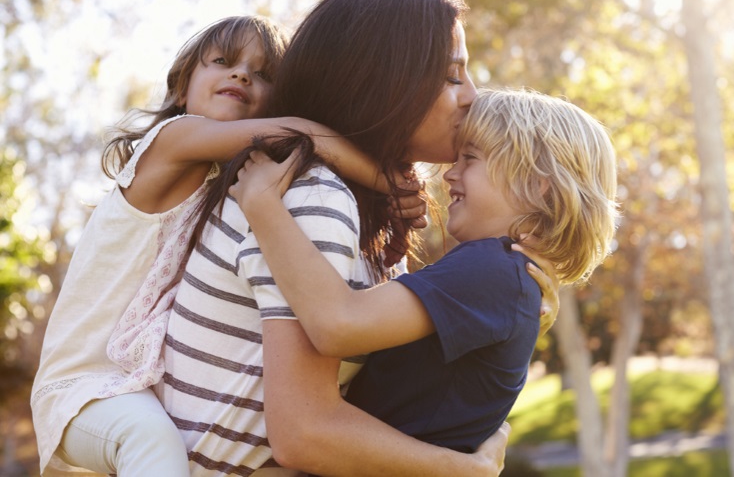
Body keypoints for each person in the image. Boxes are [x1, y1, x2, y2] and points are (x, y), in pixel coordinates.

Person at [158, 0, 558, 476]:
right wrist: (463, 470)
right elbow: (306, 434)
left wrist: (503, 304)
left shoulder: (342, 204)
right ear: (385, 80)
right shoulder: (313, 198)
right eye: (453, 75)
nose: (471, 96)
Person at [30, 15, 402, 477]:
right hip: (83, 386)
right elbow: (300, 135)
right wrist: (389, 185)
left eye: (262, 73)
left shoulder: (230, 184)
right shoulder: (173, 140)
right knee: (151, 442)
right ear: (183, 87)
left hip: (140, 383)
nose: (242, 74)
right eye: (223, 61)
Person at [231, 87, 619, 453]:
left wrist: (262, 204)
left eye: (471, 158)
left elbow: (338, 323)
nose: (450, 174)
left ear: (538, 187)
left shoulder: (492, 268)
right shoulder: (507, 276)